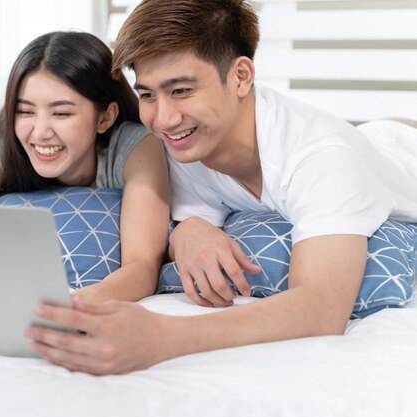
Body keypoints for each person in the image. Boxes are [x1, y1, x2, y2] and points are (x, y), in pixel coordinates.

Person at [24, 0, 417, 375]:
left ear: (241, 76)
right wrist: (188, 232)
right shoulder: (183, 144)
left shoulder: (323, 156)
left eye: (181, 90)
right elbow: (178, 225)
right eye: (147, 94)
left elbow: (321, 309)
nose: (163, 119)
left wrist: (160, 336)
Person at [0, 31, 170, 304]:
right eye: (25, 111)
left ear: (105, 117)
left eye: (61, 113)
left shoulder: (136, 148)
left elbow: (142, 267)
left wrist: (69, 307)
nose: (40, 132)